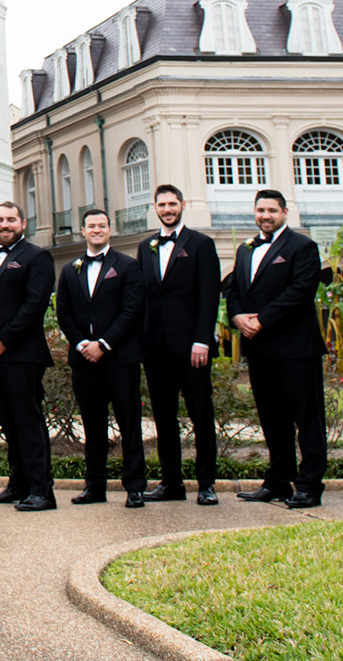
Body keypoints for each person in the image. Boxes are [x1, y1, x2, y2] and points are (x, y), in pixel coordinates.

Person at [226, 189, 327, 509]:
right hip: (259, 349)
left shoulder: (303, 246)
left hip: (296, 348)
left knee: (307, 419)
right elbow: (233, 288)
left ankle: (310, 485)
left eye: (272, 210)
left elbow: (301, 291)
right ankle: (279, 481)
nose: (265, 215)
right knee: (272, 419)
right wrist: (237, 316)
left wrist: (263, 319)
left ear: (285, 213)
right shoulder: (245, 249)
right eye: (260, 210)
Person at [0, 201, 57, 511]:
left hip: (21, 354)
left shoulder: (37, 257)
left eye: (11, 220)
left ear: (23, 223)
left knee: (28, 420)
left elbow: (34, 305)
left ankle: (42, 490)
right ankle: (17, 484)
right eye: (0, 219)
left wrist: (3, 339)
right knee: (9, 422)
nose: (5, 224)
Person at [136, 183, 221, 505]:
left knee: (201, 414)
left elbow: (208, 295)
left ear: (182, 205)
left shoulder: (200, 244)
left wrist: (202, 340)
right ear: (155, 208)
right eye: (162, 204)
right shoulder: (147, 247)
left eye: (172, 204)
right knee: (163, 417)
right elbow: (143, 297)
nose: (168, 209)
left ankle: (207, 484)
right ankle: (172, 482)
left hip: (191, 348)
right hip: (156, 348)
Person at [56, 209, 147, 507]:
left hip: (120, 358)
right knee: (92, 425)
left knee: (129, 423)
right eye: (91, 226)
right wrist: (83, 343)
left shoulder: (128, 266)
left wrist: (104, 344)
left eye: (102, 226)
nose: (97, 230)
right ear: (83, 230)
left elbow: (131, 311)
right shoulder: (70, 270)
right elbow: (64, 313)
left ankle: (135, 487)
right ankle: (94, 486)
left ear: (110, 230)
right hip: (84, 360)